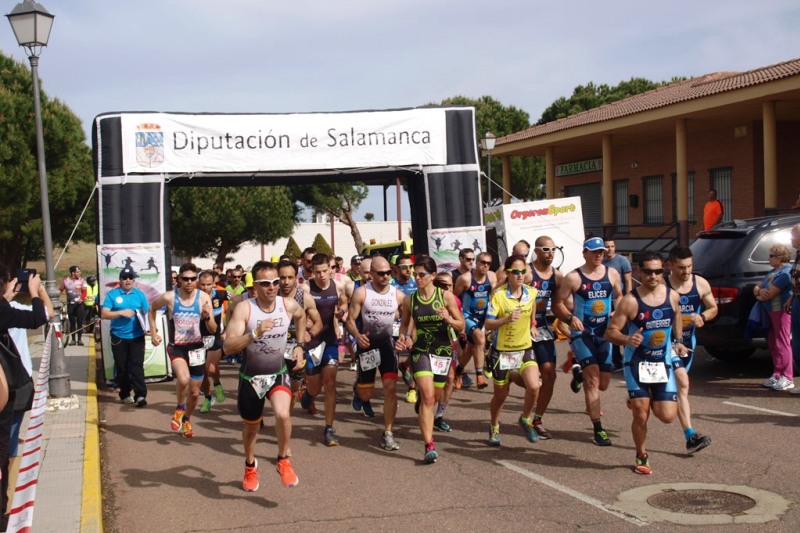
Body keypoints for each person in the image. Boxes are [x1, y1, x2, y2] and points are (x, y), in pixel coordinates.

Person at [224, 261, 305, 492]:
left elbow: (301, 316)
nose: (272, 287)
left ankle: (283, 460)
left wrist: (299, 345)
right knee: (251, 429)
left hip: (277, 372)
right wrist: (254, 333)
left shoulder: (287, 305)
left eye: (275, 282)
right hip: (251, 377)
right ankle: (250, 465)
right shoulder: (245, 309)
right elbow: (229, 346)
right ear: (255, 287)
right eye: (265, 283)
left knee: (282, 414)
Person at [605, 251, 686, 475]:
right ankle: (642, 454)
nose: (653, 276)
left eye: (658, 271)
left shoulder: (672, 296)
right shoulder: (630, 301)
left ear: (664, 271)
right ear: (640, 272)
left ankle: (640, 396)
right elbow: (610, 333)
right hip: (637, 362)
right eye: (648, 271)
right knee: (641, 413)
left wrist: (678, 341)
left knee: (667, 416)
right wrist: (627, 339)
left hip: (662, 362)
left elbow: (677, 315)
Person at [553, 237, 622, 446]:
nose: (598, 255)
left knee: (603, 384)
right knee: (593, 382)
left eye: (601, 251)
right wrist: (570, 318)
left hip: (605, 335)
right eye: (594, 252)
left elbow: (619, 296)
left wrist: (616, 311)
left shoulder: (612, 273)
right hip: (583, 335)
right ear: (584, 253)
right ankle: (598, 429)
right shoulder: (574, 277)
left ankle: (578, 373)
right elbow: (558, 304)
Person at [395, 256, 464, 464]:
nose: (417, 277)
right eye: (415, 274)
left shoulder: (446, 297)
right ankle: (429, 445)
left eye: (421, 274)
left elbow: (461, 326)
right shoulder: (410, 300)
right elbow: (405, 324)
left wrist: (449, 319)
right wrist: (404, 338)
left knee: (434, 396)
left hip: (442, 350)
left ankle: (425, 408)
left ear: (433, 276)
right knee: (427, 397)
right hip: (421, 350)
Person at [0, 266, 51, 529]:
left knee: (6, 451)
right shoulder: (5, 309)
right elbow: (39, 318)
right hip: (7, 393)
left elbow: (45, 314)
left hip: (11, 392)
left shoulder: (7, 307)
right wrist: (34, 291)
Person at [149, 263, 216, 438]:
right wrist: (154, 332)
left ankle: (186, 418)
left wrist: (207, 317)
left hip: (197, 349)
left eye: (193, 279)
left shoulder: (203, 298)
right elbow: (152, 308)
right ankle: (179, 407)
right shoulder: (170, 297)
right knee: (184, 378)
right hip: (177, 347)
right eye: (185, 279)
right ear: (179, 279)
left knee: (194, 393)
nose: (189, 282)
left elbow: (213, 328)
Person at [346, 256, 405, 451]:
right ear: (371, 274)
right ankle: (359, 390)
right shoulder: (362, 293)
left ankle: (388, 433)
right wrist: (357, 335)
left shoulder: (397, 295)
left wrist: (405, 336)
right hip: (367, 345)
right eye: (381, 273)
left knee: (390, 388)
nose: (385, 276)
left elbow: (409, 316)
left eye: (388, 272)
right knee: (367, 392)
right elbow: (350, 320)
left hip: (387, 345)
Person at [484, 254, 541, 446]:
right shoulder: (499, 296)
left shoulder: (531, 292)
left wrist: (533, 323)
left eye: (523, 271)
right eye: (515, 271)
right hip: (502, 352)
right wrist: (506, 320)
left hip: (524, 347)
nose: (520, 275)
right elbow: (488, 324)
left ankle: (525, 419)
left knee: (534, 386)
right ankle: (494, 426)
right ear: (508, 273)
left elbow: (532, 306)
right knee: (501, 396)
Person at [665, 246, 716, 453]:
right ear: (671, 266)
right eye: (681, 267)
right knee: (682, 384)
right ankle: (690, 435)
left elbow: (713, 307)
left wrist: (702, 317)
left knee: (678, 389)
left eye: (689, 266)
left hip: (688, 344)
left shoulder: (700, 283)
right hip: (664, 343)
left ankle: (640, 393)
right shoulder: (662, 285)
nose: (686, 271)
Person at [299, 253, 348, 446]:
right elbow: (297, 312)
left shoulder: (339, 286)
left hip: (329, 341)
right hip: (313, 342)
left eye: (325, 271)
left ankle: (328, 428)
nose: (321, 276)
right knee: (315, 386)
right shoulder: (306, 288)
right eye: (317, 272)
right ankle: (308, 395)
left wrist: (341, 312)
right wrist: (305, 328)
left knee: (330, 382)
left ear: (331, 269)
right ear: (312, 272)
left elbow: (343, 302)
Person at [528, 236, 564, 440]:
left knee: (549, 374)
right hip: (519, 329)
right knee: (524, 380)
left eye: (553, 249)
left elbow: (558, 305)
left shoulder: (557, 277)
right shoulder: (525, 272)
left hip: (541, 327)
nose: (550, 253)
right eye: (545, 249)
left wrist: (570, 318)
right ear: (537, 250)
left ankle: (537, 420)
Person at [101, 267, 151, 407]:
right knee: (122, 367)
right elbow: (104, 314)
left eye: (130, 278)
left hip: (137, 336)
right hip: (119, 336)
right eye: (125, 278)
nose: (127, 280)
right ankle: (125, 394)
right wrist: (121, 312)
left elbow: (147, 314)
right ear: (120, 280)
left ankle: (140, 395)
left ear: (134, 280)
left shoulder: (140, 295)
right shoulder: (112, 295)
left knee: (136, 366)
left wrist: (151, 330)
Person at [276, 260, 321, 410]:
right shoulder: (272, 296)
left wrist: (311, 333)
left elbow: (318, 322)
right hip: (274, 349)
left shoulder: (305, 298)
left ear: (296, 277)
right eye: (282, 277)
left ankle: (285, 417)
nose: (286, 282)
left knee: (294, 388)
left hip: (297, 349)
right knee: (270, 386)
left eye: (290, 277)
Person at [454, 251, 496, 389]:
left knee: (472, 348)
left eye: (488, 263)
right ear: (476, 263)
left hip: (483, 317)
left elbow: (494, 297)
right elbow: (454, 298)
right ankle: (479, 376)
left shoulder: (492, 276)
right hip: (467, 316)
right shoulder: (465, 278)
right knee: (480, 339)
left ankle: (458, 371)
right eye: (482, 262)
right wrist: (457, 319)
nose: (485, 266)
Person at [754, 243, 794, 391]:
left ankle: (787, 376)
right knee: (773, 343)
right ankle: (777, 373)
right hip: (770, 312)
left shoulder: (785, 273)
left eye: (771, 256)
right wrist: (759, 290)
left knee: (783, 343)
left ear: (779, 257)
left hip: (781, 312)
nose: (768, 259)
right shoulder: (773, 271)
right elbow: (758, 287)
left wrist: (760, 292)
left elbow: (768, 294)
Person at [198, 270, 230, 413]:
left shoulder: (221, 294)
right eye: (202, 284)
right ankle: (207, 397)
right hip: (198, 338)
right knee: (202, 372)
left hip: (215, 336)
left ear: (214, 284)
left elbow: (239, 299)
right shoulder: (194, 297)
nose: (205, 287)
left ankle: (217, 384)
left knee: (210, 368)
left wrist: (229, 328)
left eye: (208, 284)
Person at [391, 254, 419, 404]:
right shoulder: (390, 284)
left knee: (415, 353)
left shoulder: (416, 283)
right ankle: (402, 367)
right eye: (404, 267)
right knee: (392, 362)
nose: (408, 270)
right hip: (393, 325)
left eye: (410, 267)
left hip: (412, 325)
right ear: (396, 268)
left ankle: (412, 388)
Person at [603, 239, 633, 371]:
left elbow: (628, 282)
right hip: (606, 303)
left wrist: (629, 300)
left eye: (612, 246)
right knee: (611, 332)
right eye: (607, 247)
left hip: (621, 302)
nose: (610, 249)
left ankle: (630, 360)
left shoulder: (622, 261)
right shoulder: (601, 262)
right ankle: (617, 361)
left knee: (624, 331)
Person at [60, 265, 87, 346]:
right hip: (70, 304)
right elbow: (60, 290)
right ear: (73, 273)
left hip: (80, 304)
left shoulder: (82, 281)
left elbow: (85, 291)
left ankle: (79, 339)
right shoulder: (65, 281)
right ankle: (72, 339)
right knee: (72, 322)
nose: (79, 273)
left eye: (79, 271)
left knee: (79, 322)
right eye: (78, 272)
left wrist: (81, 299)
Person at [788, 224, 800, 392]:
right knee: (797, 344)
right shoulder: (797, 255)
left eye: (793, 236)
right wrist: (792, 297)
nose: (790, 239)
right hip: (797, 300)